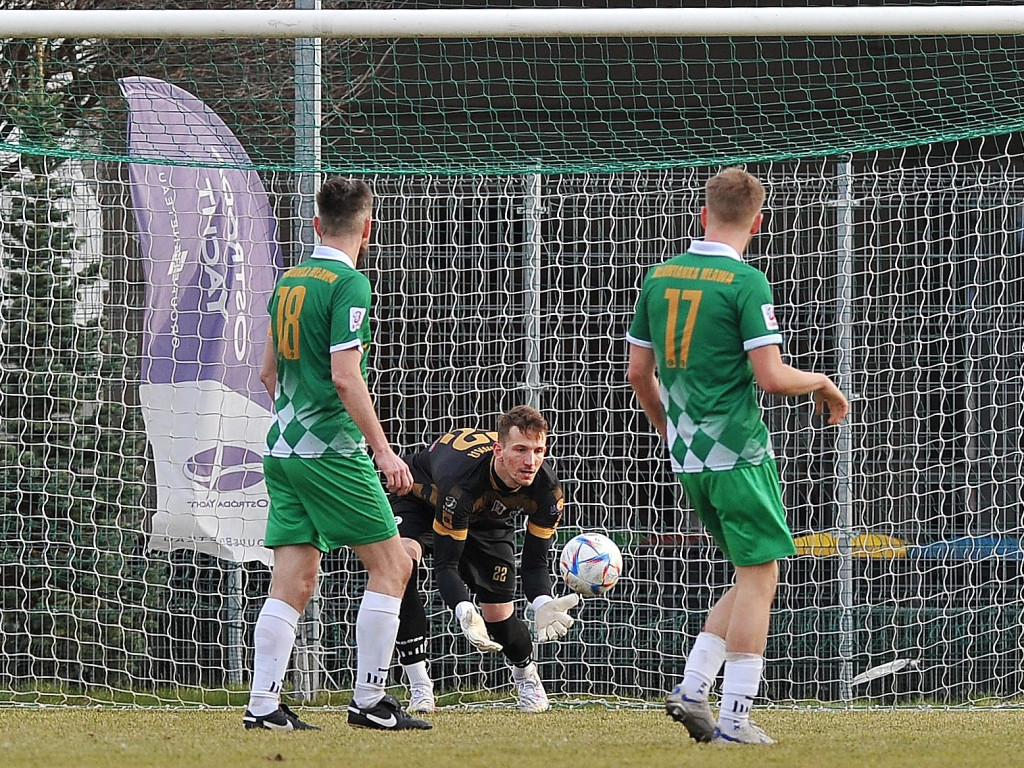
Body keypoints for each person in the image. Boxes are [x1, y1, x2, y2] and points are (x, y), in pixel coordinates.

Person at [626, 167, 848, 745]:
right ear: (760, 221)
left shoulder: (658, 277)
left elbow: (637, 375)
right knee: (763, 576)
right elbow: (771, 378)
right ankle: (736, 718)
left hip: (689, 457)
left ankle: (693, 691)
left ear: (702, 214)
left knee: (749, 573)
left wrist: (671, 431)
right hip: (738, 453)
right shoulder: (746, 282)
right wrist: (822, 381)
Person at [244, 177, 431, 732]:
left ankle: (263, 707)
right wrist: (384, 451)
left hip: (281, 448)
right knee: (393, 564)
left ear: (317, 225)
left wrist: (297, 423)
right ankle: (370, 702)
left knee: (294, 580)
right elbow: (347, 379)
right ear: (367, 228)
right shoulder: (350, 284)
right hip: (331, 452)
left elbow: (267, 372)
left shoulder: (289, 282)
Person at [390, 405, 581, 714]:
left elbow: (534, 563)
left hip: (487, 516)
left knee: (498, 617)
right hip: (424, 499)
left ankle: (526, 674)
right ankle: (420, 687)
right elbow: (446, 564)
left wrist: (543, 601)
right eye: (520, 449)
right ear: (498, 450)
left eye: (538, 450)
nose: (530, 461)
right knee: (401, 567)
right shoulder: (462, 482)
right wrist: (464, 608)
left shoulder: (549, 492)